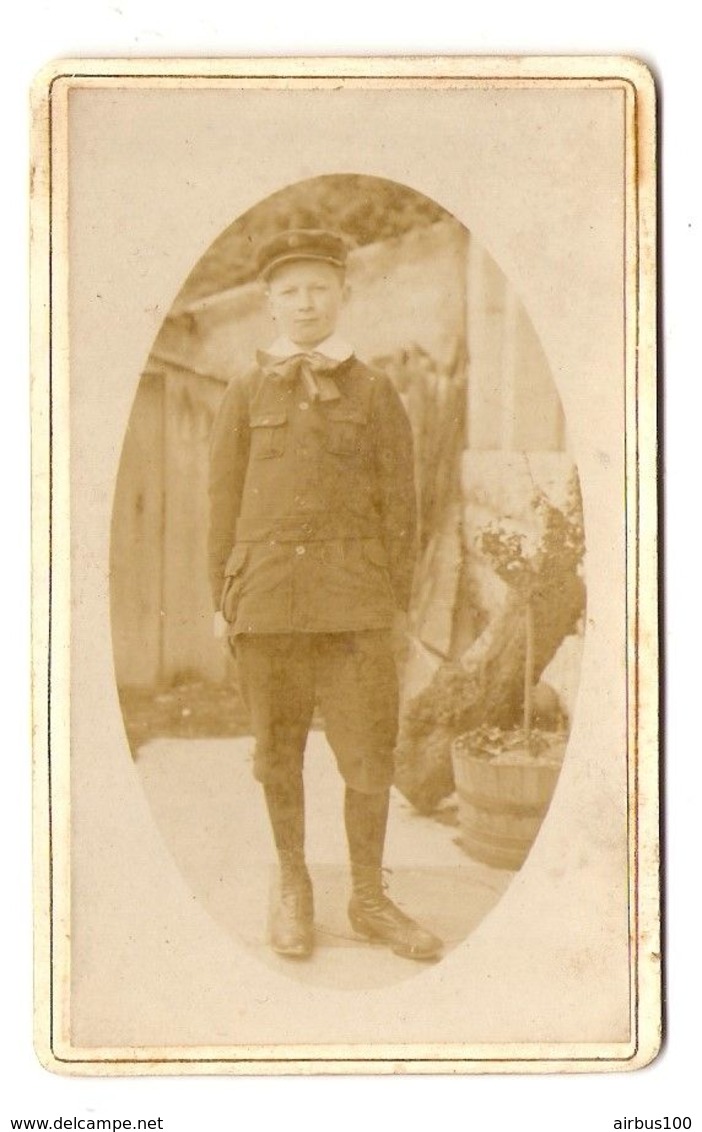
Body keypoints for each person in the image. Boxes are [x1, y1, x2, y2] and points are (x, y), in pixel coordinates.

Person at [208, 227, 442, 962]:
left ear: (343, 294)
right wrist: (224, 599)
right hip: (269, 603)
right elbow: (221, 501)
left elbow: (401, 506)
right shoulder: (245, 390)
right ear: (269, 303)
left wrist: (393, 604)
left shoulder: (373, 391)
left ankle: (369, 898)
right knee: (276, 754)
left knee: (368, 754)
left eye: (318, 288)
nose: (305, 303)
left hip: (355, 607)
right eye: (290, 291)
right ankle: (293, 889)